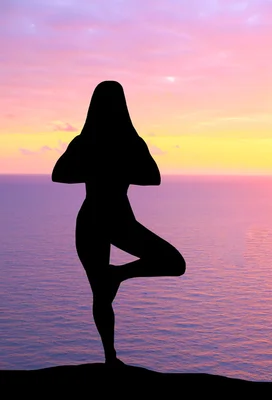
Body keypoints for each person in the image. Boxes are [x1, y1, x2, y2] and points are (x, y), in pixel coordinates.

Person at [52, 80, 186, 366]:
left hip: (106, 219)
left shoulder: (96, 142)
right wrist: (113, 168)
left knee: (173, 264)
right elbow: (59, 174)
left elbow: (153, 177)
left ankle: (117, 275)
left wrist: (96, 167)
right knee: (101, 293)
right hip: (106, 219)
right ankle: (110, 357)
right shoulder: (118, 142)